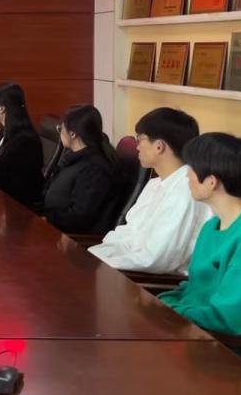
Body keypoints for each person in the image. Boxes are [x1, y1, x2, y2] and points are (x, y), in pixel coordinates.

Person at [158, 133, 241, 357]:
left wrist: (173, 311)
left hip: (219, 350)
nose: (187, 175)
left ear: (211, 181)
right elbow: (195, 290)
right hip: (192, 332)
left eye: (192, 169)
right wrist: (160, 304)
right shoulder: (212, 226)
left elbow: (234, 317)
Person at [88, 107, 208, 275]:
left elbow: (156, 259)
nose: (137, 147)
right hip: (126, 267)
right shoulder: (155, 184)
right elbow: (127, 232)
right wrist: (94, 255)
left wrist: (100, 262)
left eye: (140, 139)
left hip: (150, 280)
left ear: (159, 146)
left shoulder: (186, 191)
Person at [40, 104, 118, 233]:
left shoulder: (95, 170)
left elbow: (79, 218)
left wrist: (47, 219)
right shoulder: (73, 157)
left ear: (72, 133)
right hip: (51, 223)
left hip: (67, 235)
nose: (60, 132)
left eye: (61, 128)